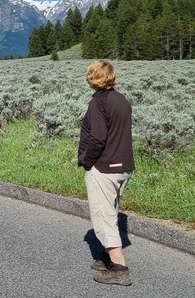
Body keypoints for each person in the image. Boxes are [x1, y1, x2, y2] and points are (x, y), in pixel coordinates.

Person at [77, 60, 135, 286]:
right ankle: (106, 257)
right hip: (124, 166)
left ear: (93, 78)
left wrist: (86, 161)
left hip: (104, 167)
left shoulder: (98, 103)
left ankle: (120, 268)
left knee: (104, 216)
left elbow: (98, 138)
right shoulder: (122, 100)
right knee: (111, 209)